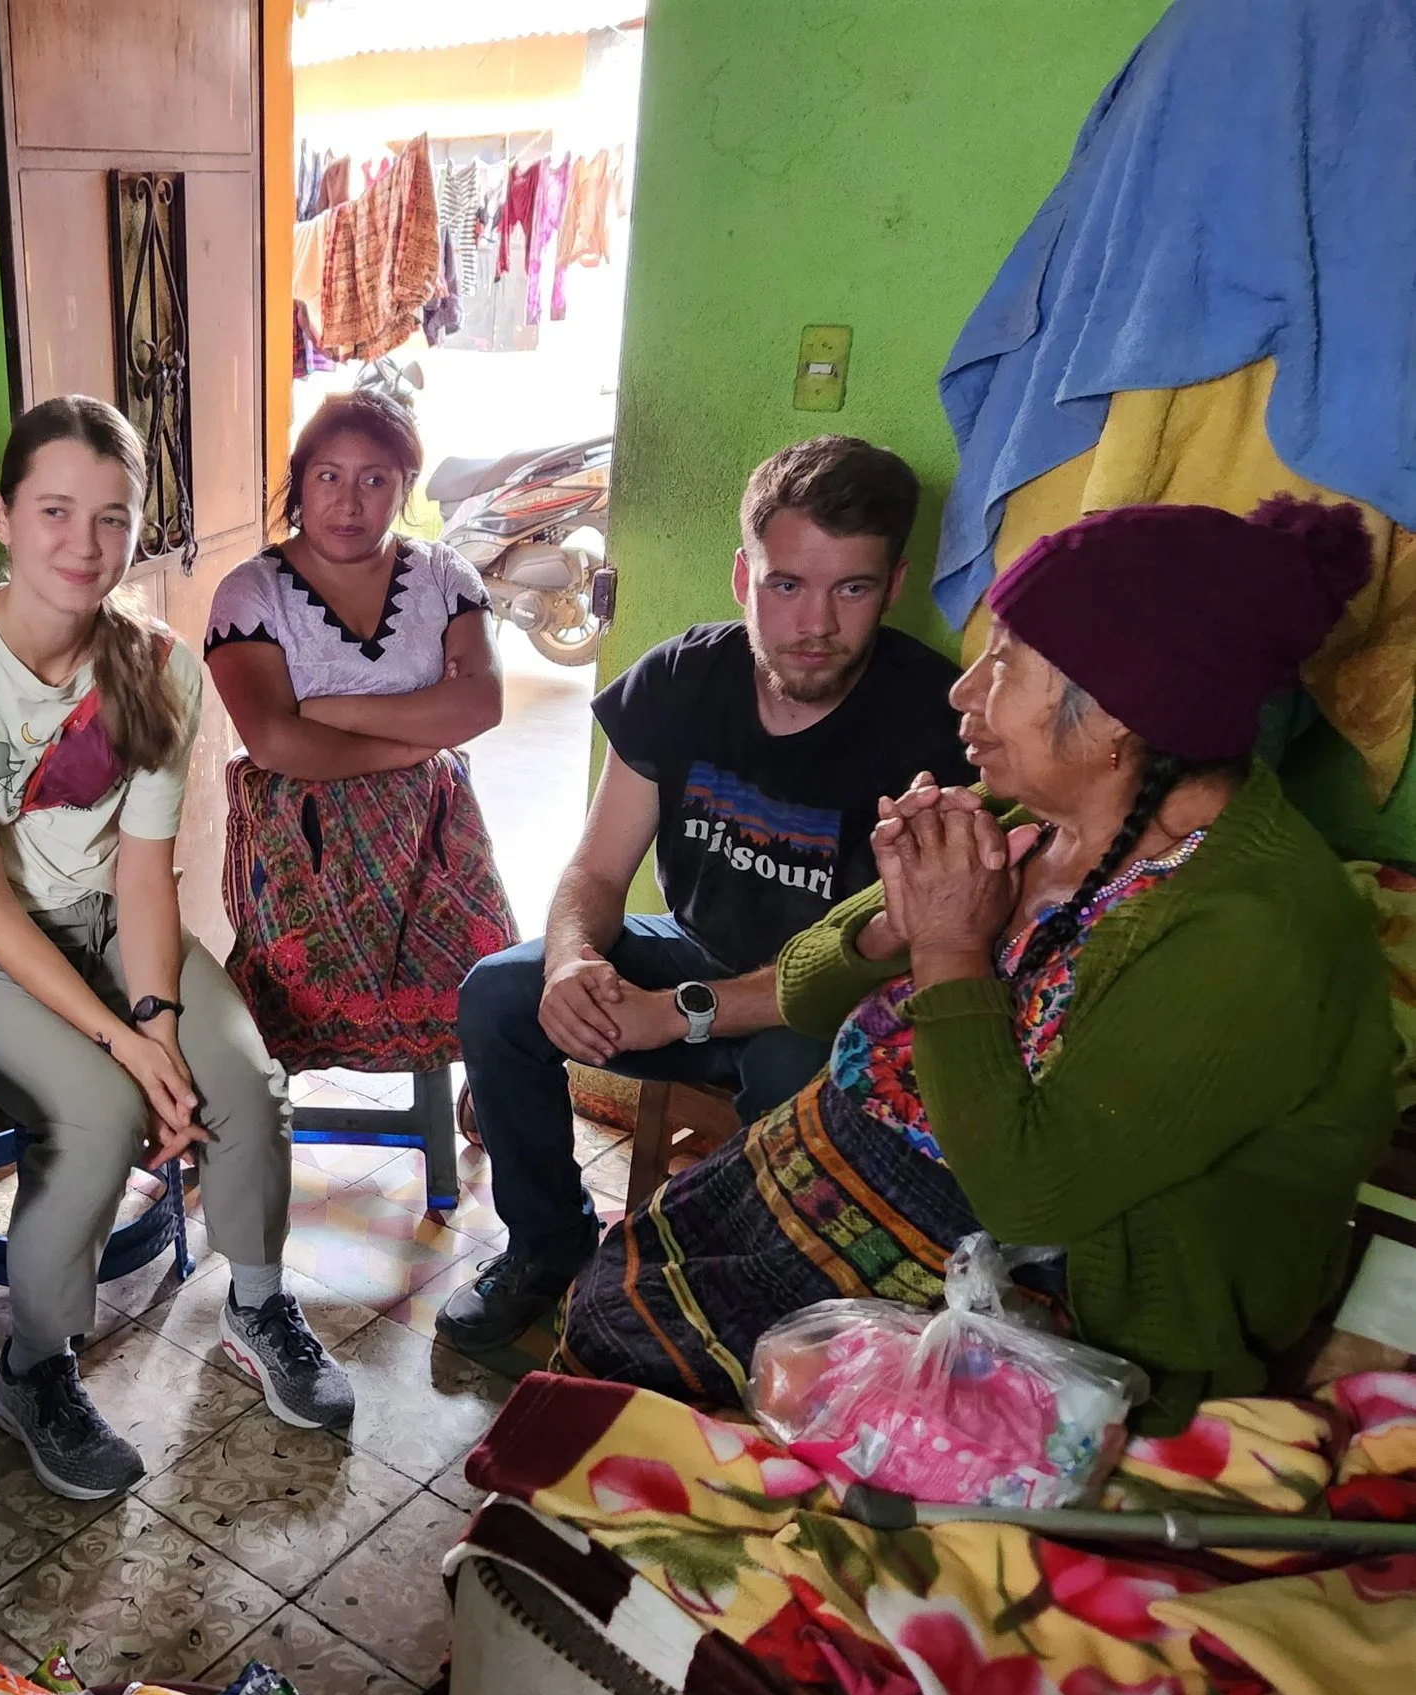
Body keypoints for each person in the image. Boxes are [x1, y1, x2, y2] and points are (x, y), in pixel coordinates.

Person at [555, 496, 1397, 1434]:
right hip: (842, 1171)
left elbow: (1029, 1192)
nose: (964, 691)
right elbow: (803, 981)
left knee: (646, 1362)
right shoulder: (1035, 819)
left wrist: (954, 945)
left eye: (1005, 667)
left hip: (1032, 1287)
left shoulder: (1254, 930)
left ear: (1122, 713)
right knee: (620, 1287)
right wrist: (894, 923)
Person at [0, 394, 353, 1501]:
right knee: (95, 1116)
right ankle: (35, 1369)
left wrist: (161, 1025)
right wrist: (128, 1053)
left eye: (110, 517)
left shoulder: (158, 666)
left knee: (244, 1077)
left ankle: (258, 1301)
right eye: (54, 511)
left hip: (113, 930)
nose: (82, 545)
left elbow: (145, 871)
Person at [440, 434, 973, 1354]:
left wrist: (674, 1015)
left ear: (893, 586)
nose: (815, 624)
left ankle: (765, 1301)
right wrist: (573, 961)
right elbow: (598, 871)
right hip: (692, 953)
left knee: (791, 1071)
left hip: (827, 1004)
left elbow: (884, 958)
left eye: (851, 588)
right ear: (742, 576)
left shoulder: (934, 724)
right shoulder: (682, 680)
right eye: (787, 584)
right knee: (500, 993)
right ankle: (549, 1247)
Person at [204, 390, 515, 1073]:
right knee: (298, 978)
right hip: (303, 837)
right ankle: (258, 1109)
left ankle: (488, 1082)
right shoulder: (251, 592)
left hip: (432, 829)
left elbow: (481, 702)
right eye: (329, 477)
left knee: (494, 974)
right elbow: (274, 743)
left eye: (375, 479)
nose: (349, 503)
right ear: (300, 482)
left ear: (404, 488)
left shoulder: (443, 575)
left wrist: (328, 708)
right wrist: (411, 742)